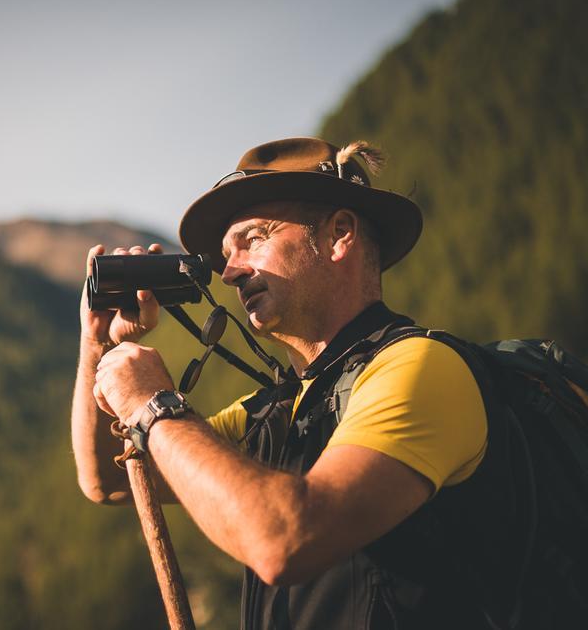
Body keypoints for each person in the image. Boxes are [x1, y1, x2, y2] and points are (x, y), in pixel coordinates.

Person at [71, 137, 518, 629]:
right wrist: (98, 344)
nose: (231, 273)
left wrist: (155, 406)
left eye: (254, 238)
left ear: (339, 234)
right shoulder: (278, 410)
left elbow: (284, 541)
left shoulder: (421, 366)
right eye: (225, 255)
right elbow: (109, 482)